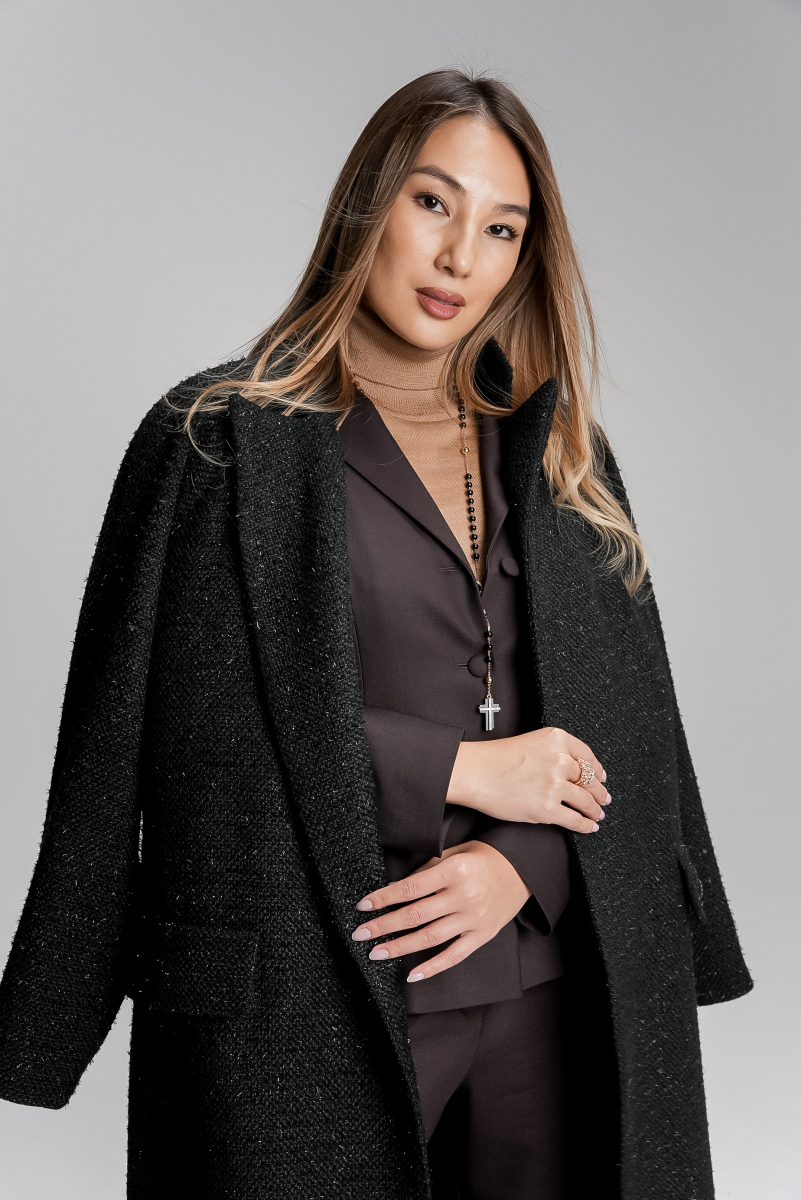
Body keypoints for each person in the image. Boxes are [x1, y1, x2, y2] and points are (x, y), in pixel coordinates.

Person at [0, 69, 751, 1200]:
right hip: (299, 998)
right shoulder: (216, 441)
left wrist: (524, 863)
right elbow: (170, 746)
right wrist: (460, 769)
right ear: (369, 202)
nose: (460, 257)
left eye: (501, 228)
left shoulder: (564, 457)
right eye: (433, 202)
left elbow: (637, 740)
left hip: (549, 987)